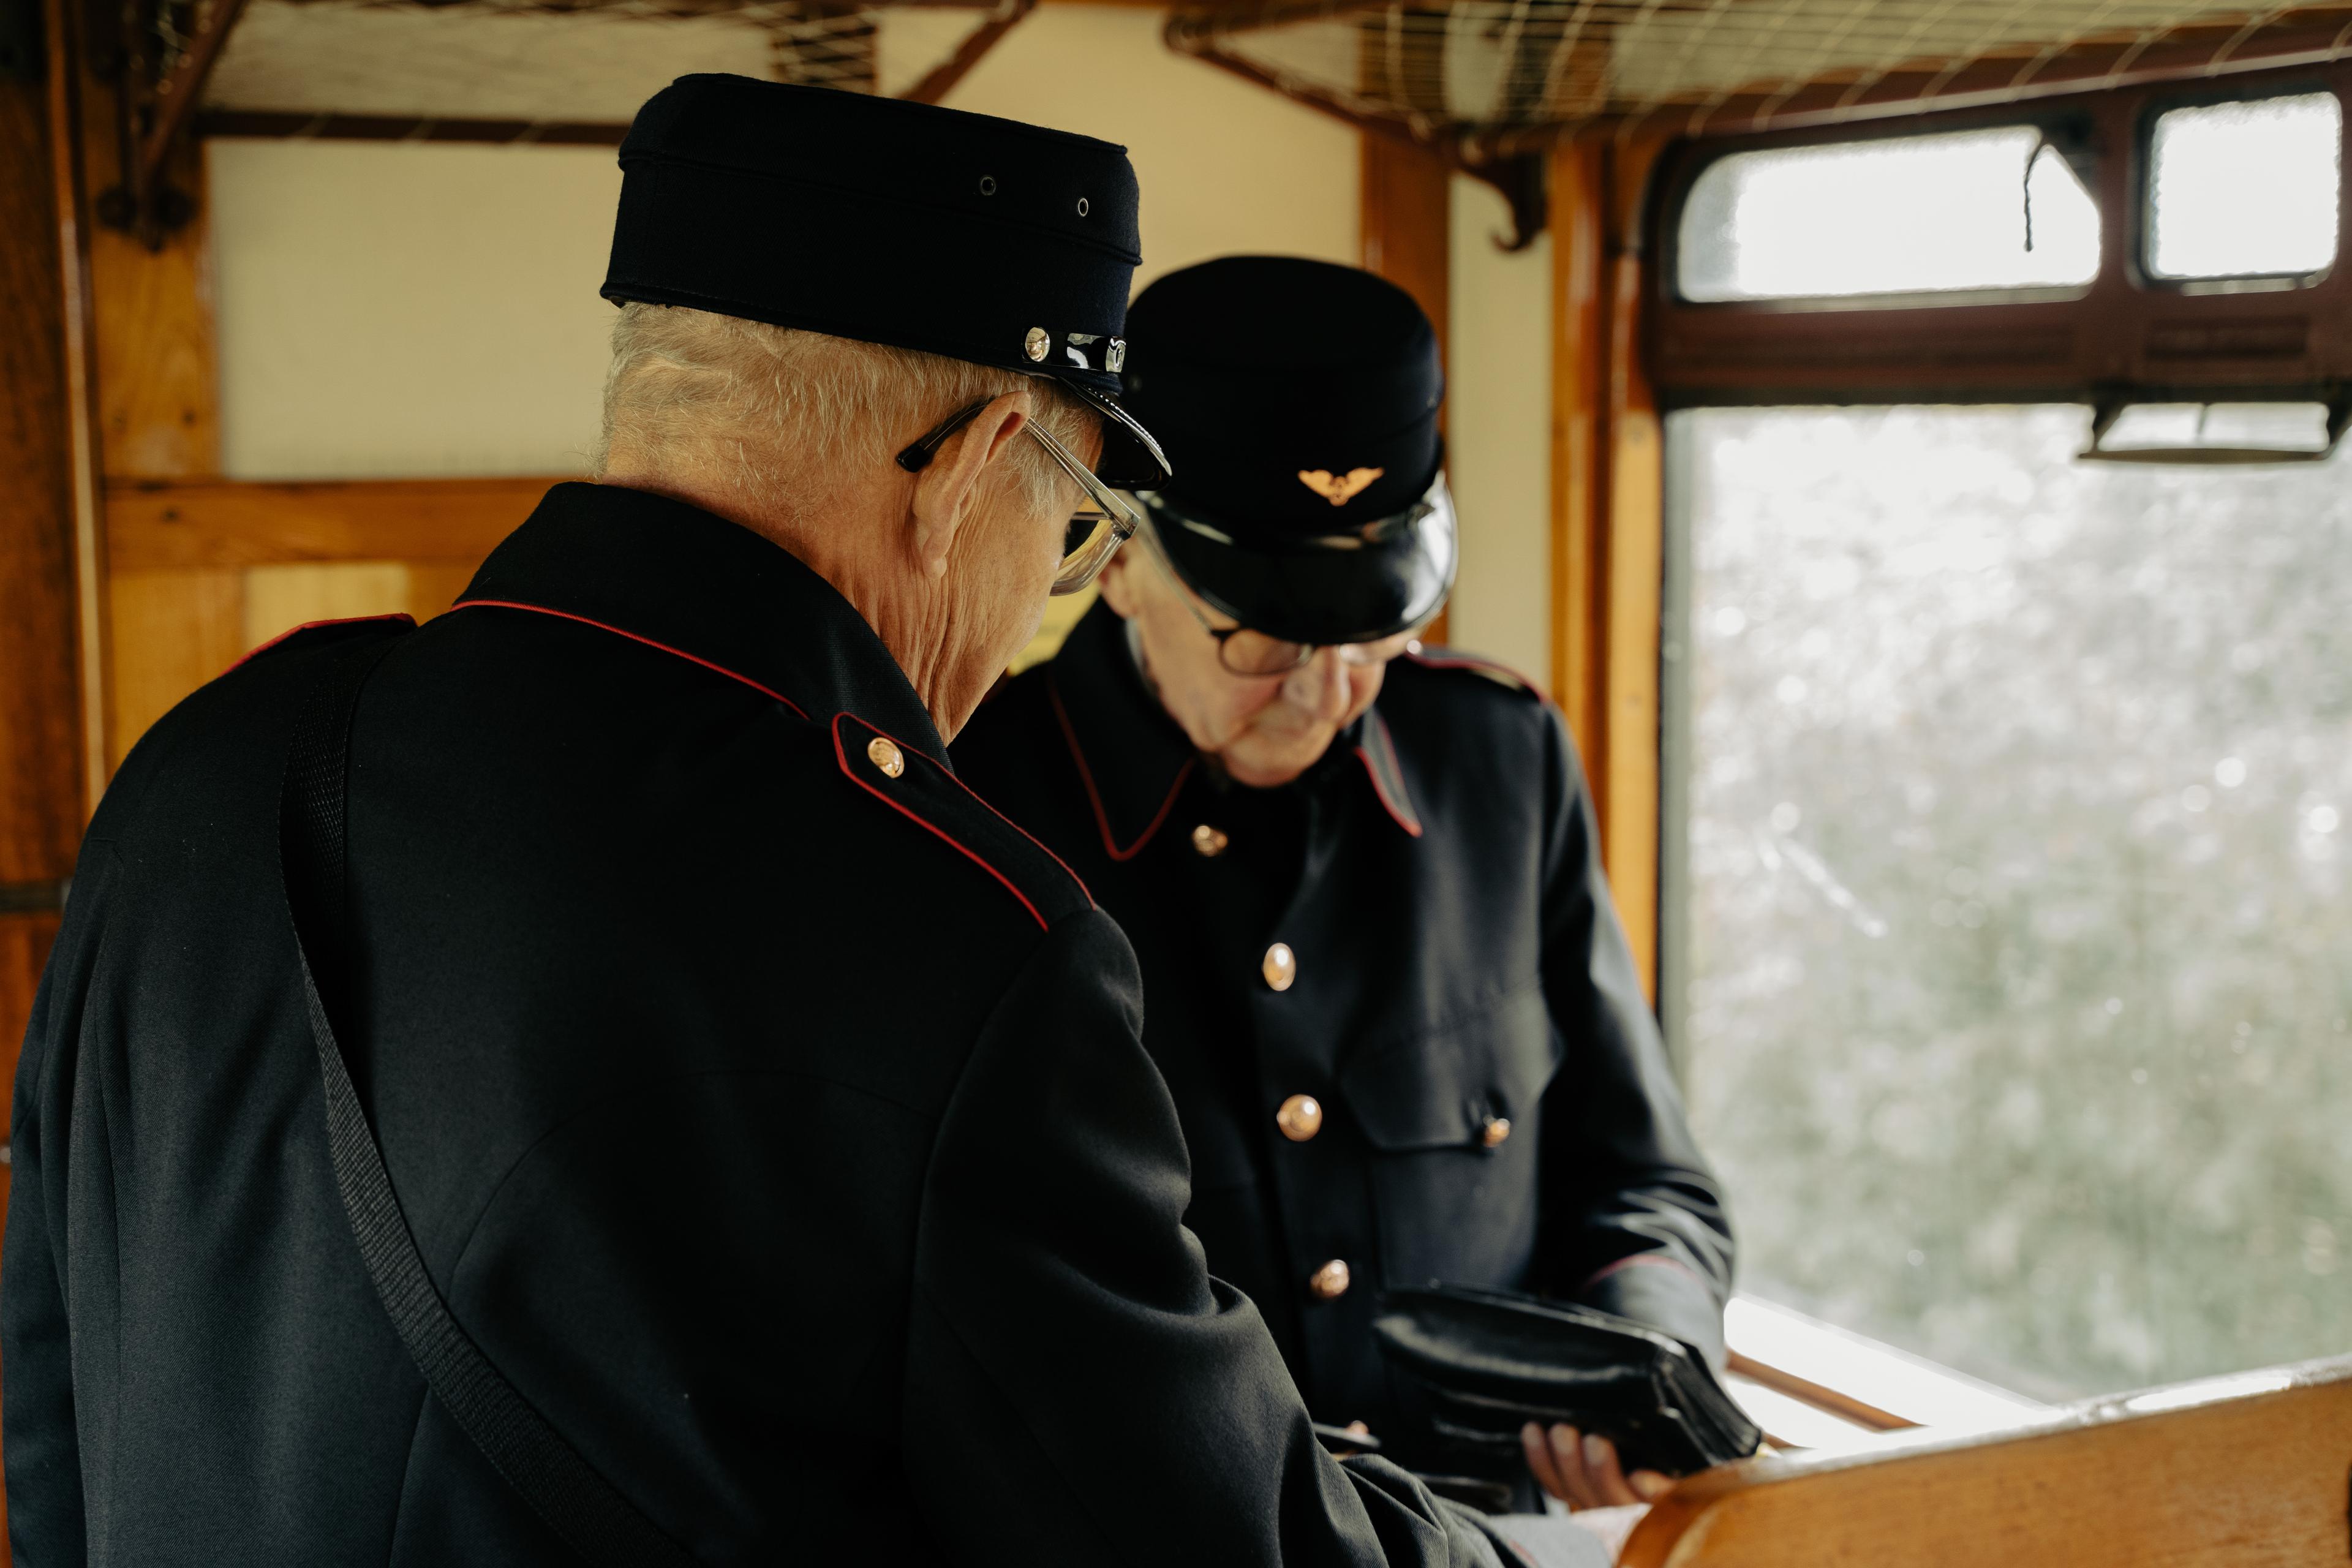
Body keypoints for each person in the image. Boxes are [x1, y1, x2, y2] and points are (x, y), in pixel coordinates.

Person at [0, 79, 1559, 1566]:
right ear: (977, 472)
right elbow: (1206, 1533)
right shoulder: (954, 943)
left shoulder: (202, 766)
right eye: (1076, 529)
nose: (1049, 586)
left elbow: (52, 1387)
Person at [954, 256, 1737, 1512]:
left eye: (1372, 632)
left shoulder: (1500, 759)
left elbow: (1642, 1175)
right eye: (1262, 636)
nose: (1327, 693)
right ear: (1112, 552)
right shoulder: (972, 813)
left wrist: (1647, 1358)